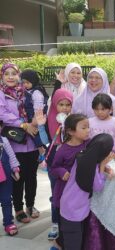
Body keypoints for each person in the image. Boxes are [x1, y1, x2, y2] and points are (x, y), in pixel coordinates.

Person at [60, 133, 115, 250]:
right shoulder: (93, 167)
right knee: (73, 243)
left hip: (68, 205)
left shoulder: (82, 156)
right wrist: (103, 166)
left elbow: (90, 168)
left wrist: (103, 166)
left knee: (72, 238)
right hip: (74, 210)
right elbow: (98, 187)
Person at [0, 63, 39, 223]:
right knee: (18, 178)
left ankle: (30, 204)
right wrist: (23, 124)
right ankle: (18, 208)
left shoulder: (26, 92)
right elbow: (3, 113)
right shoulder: (2, 94)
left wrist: (35, 122)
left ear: (19, 75)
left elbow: (37, 109)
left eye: (13, 73)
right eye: (6, 73)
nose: (10, 77)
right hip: (14, 143)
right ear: (2, 77)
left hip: (32, 142)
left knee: (32, 177)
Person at [50, 113, 90, 249]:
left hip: (80, 192)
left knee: (78, 223)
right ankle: (61, 243)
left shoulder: (88, 144)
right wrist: (62, 172)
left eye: (88, 127)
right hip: (64, 193)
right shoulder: (62, 150)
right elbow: (53, 168)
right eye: (84, 128)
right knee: (65, 223)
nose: (88, 131)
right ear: (71, 131)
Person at [46, 88, 73, 241]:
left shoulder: (74, 120)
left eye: (67, 104)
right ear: (55, 105)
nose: (64, 107)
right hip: (54, 163)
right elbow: (44, 138)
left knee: (69, 193)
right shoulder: (48, 119)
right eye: (61, 104)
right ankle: (55, 223)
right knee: (56, 192)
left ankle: (67, 222)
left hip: (70, 162)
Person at [20, 69, 49, 162]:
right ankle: (41, 150)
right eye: (23, 83)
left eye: (27, 83)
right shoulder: (28, 91)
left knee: (36, 133)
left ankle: (43, 151)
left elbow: (38, 107)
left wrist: (33, 121)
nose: (25, 85)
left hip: (36, 117)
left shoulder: (36, 92)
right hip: (30, 116)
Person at [0, 128, 20, 236]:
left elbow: (11, 156)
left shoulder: (4, 140)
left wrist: (15, 169)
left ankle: (8, 222)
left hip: (5, 175)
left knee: (6, 200)